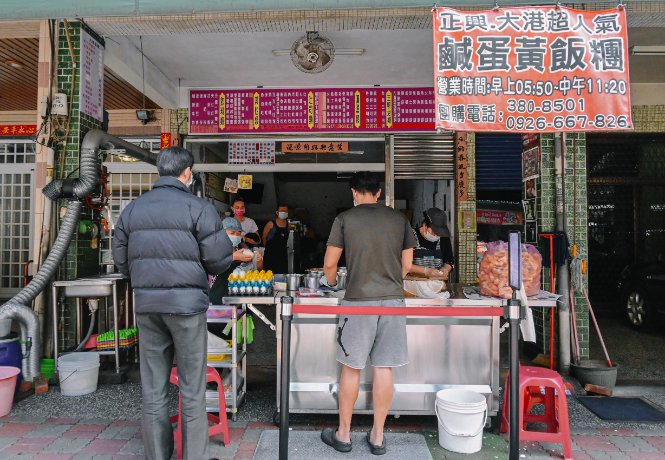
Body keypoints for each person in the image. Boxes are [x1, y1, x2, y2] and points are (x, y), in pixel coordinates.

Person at [112, 146, 233, 460]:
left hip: (148, 308)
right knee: (192, 391)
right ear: (187, 173)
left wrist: (147, 281)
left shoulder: (132, 210)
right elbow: (219, 260)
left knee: (153, 391)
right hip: (188, 309)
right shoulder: (199, 208)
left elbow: (121, 262)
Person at [320, 172, 416, 456]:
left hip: (358, 301)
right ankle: (377, 436)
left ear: (354, 192)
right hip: (393, 301)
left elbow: (329, 264)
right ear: (378, 193)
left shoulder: (345, 219)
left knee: (351, 368)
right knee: (383, 368)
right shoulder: (399, 219)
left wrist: (334, 283)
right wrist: (390, 282)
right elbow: (407, 264)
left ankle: (344, 434)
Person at [209, 217, 262, 304]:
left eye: (238, 233)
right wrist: (233, 257)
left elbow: (257, 270)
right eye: (232, 233)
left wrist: (259, 259)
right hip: (219, 298)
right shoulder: (213, 249)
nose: (236, 236)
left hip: (240, 298)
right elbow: (212, 266)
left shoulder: (243, 248)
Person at [409, 207, 455, 280]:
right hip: (415, 283)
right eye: (433, 231)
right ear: (425, 225)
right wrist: (426, 271)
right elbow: (404, 265)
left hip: (436, 283)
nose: (436, 235)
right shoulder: (410, 236)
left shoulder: (444, 238)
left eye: (439, 232)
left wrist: (445, 269)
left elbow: (449, 261)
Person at [262, 203, 290, 274]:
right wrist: (267, 248)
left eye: (285, 211)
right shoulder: (271, 224)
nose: (284, 212)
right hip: (270, 255)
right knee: (269, 275)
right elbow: (264, 237)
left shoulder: (288, 224)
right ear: (277, 212)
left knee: (282, 274)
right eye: (282, 211)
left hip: (282, 255)